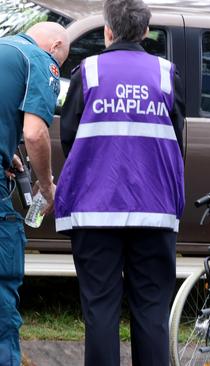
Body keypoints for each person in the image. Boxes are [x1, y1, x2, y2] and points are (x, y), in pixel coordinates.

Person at [55, 0, 186, 364]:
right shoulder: (165, 73)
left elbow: (70, 138)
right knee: (152, 310)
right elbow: (177, 141)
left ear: (107, 31)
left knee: (100, 309)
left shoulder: (89, 71)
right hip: (154, 212)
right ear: (146, 31)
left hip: (95, 210)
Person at [0, 22, 69, 366]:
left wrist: (5, 151)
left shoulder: (6, 49)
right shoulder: (40, 60)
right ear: (56, 46)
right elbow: (35, 132)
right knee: (1, 293)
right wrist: (46, 183)